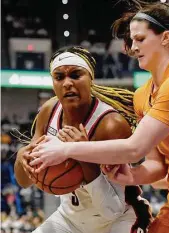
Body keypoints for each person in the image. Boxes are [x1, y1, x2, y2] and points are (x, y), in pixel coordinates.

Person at [28, 1, 169, 233]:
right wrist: (131, 176)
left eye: (140, 39)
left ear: (165, 38)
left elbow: (134, 148)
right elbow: (156, 167)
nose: (133, 47)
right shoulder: (142, 96)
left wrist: (65, 150)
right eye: (132, 40)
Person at [14, 45, 152, 233]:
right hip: (70, 219)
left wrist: (82, 153)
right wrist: (23, 157)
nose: (67, 83)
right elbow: (24, 181)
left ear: (90, 79)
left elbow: (111, 210)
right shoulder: (49, 111)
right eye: (59, 77)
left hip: (120, 218)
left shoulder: (111, 125)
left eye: (75, 75)